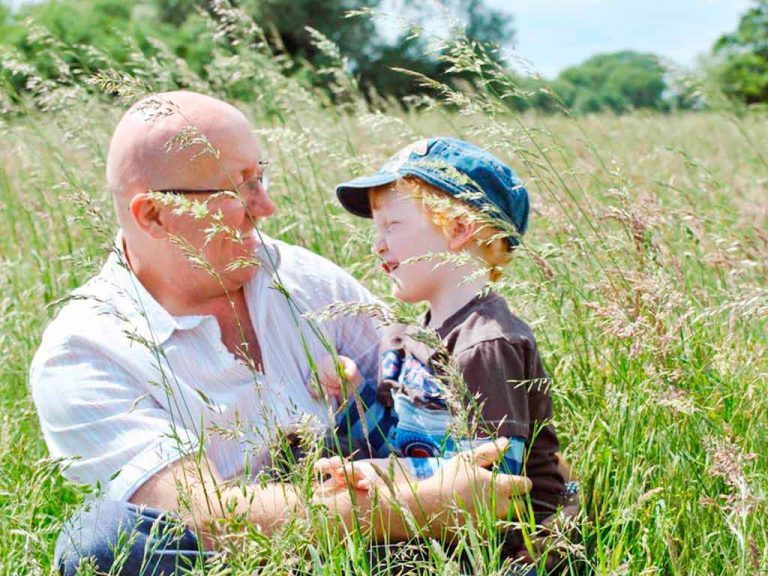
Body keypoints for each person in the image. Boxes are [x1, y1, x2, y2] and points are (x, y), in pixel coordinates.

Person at [29, 92, 530, 575]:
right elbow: (205, 519)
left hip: (383, 553)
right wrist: (423, 504)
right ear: (155, 214)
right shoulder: (83, 351)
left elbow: (453, 394)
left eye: (260, 177)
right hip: (241, 564)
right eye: (238, 187)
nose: (265, 206)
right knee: (102, 542)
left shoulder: (301, 279)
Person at [316, 137, 577, 567]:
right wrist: (354, 398)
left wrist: (381, 476)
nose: (377, 244)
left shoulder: (486, 344)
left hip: (511, 550)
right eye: (376, 229)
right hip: (438, 531)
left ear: (458, 229)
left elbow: (490, 484)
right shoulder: (405, 338)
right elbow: (400, 442)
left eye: (392, 226)